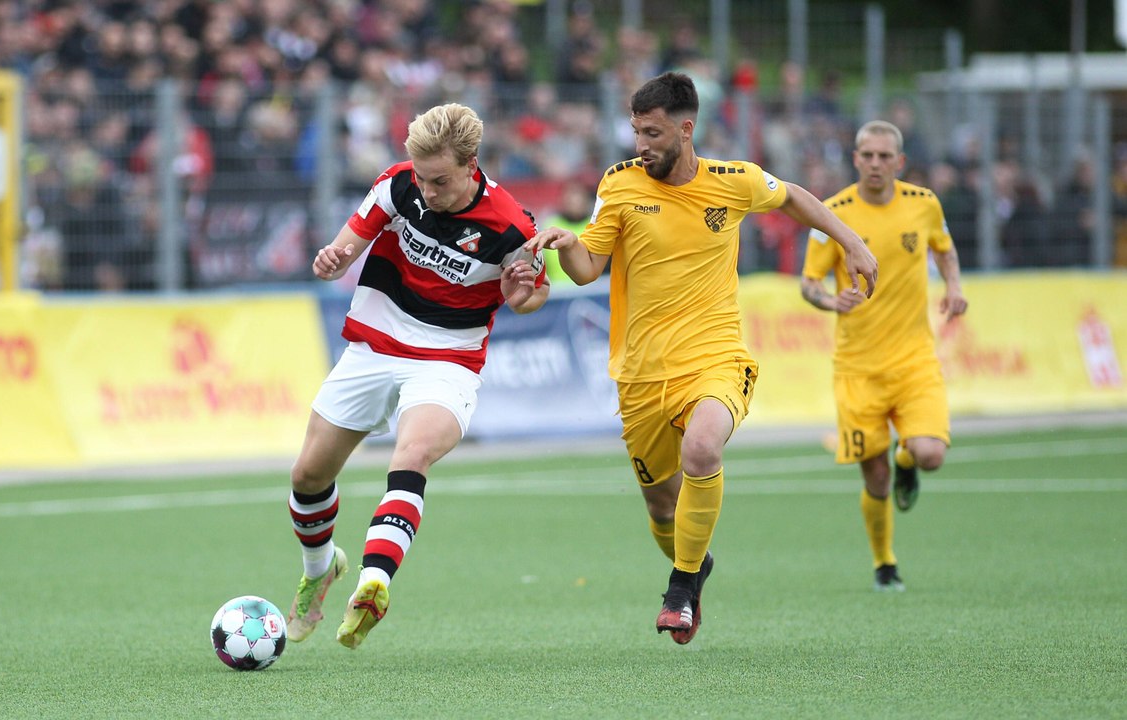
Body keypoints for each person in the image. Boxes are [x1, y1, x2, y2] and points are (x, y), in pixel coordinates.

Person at [529, 72, 878, 645]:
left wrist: (852, 241)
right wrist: (568, 246)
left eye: (653, 133)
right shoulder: (619, 184)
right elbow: (589, 268)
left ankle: (681, 587)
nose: (641, 145)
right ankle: (696, 563)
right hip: (642, 372)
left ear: (686, 129)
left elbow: (793, 196)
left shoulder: (734, 181)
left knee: (702, 447)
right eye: (636, 132)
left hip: (716, 356)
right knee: (662, 509)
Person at [286, 103, 549, 650]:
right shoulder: (398, 183)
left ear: (471, 165)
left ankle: (373, 582)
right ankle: (320, 568)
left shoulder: (511, 226)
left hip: (447, 359)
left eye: (440, 181)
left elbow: (531, 294)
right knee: (308, 476)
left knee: (412, 455)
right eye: (422, 178)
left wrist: (522, 295)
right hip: (375, 344)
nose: (427, 192)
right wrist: (333, 260)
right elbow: (346, 246)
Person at [799, 120, 967, 592]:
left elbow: (945, 250)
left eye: (884, 156)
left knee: (930, 453)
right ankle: (884, 564)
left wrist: (954, 287)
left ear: (900, 161)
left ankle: (907, 460)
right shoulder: (832, 214)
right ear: (855, 159)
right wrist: (830, 301)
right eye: (867, 155)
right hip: (858, 368)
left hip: (915, 360)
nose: (875, 163)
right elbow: (808, 284)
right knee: (875, 477)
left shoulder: (924, 203)